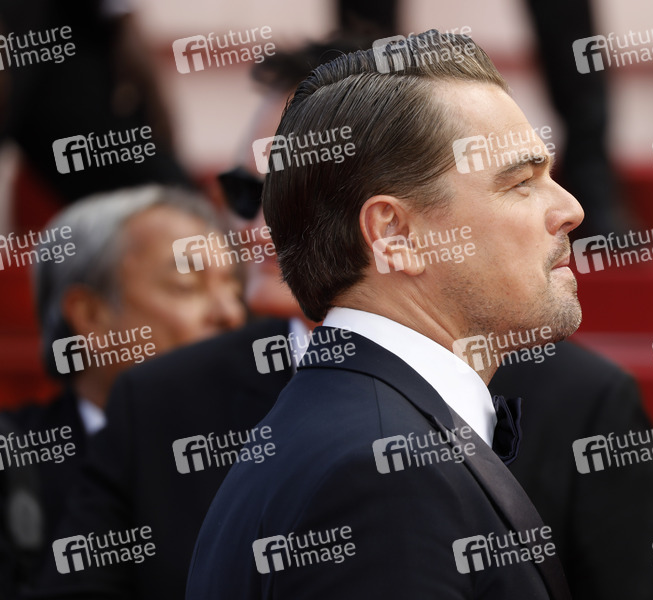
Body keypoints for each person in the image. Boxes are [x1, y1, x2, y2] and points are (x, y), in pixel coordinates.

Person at [185, 30, 579, 598]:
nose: (570, 208)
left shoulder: (358, 433)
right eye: (520, 182)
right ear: (395, 235)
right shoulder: (383, 473)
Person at [0, 185, 245, 598]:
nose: (231, 314)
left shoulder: (269, 448)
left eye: (234, 288)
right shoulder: (15, 463)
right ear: (90, 314)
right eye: (187, 285)